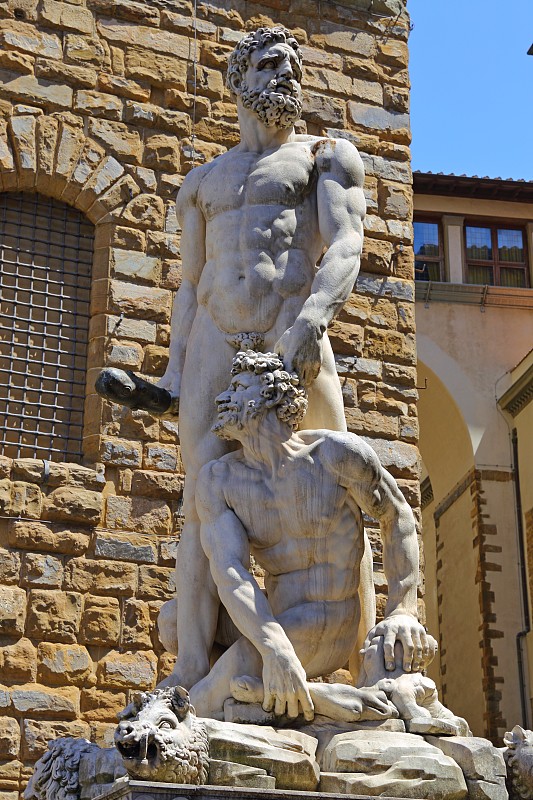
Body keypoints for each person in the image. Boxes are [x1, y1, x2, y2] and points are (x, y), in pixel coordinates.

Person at [151, 25, 371, 690]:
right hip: (214, 341)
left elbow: (345, 244)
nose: (287, 75)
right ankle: (192, 667)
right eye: (272, 63)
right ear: (239, 79)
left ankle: (360, 665)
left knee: (339, 485)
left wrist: (311, 323)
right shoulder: (201, 183)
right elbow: (190, 284)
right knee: (201, 499)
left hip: (290, 331)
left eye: (293, 66)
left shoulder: (325, 156)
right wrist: (172, 368)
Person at [187, 351, 435, 720]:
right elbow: (231, 573)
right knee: (173, 623)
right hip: (277, 620)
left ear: (271, 395)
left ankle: (247, 701)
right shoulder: (219, 480)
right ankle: (306, 697)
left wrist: (403, 609)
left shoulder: (334, 454)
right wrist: (275, 648)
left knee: (207, 699)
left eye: (237, 388)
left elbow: (397, 516)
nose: (222, 398)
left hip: (327, 620)